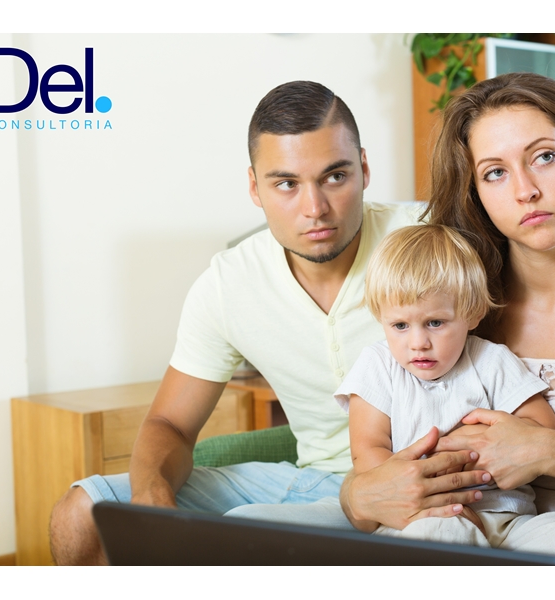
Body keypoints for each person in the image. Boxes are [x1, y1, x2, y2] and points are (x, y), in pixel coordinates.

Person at [47, 80, 488, 565]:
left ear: (364, 169)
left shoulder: (434, 242)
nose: (314, 208)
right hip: (308, 481)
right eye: (286, 184)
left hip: (416, 475)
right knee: (82, 513)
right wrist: (151, 497)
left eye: (334, 177)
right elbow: (169, 422)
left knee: (245, 538)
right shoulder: (228, 283)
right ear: (255, 187)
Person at [340, 72, 555, 557]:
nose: (525, 190)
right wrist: (357, 496)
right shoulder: (453, 311)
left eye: (545, 157)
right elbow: (368, 470)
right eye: (495, 172)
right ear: (475, 191)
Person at [336, 223, 555, 565]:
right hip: (421, 519)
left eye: (435, 323)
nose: (418, 342)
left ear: (473, 313)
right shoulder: (377, 365)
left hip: (505, 522)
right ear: (381, 318)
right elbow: (366, 452)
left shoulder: (491, 360)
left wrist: (492, 441)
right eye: (400, 326)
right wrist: (421, 496)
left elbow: (542, 427)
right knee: (441, 533)